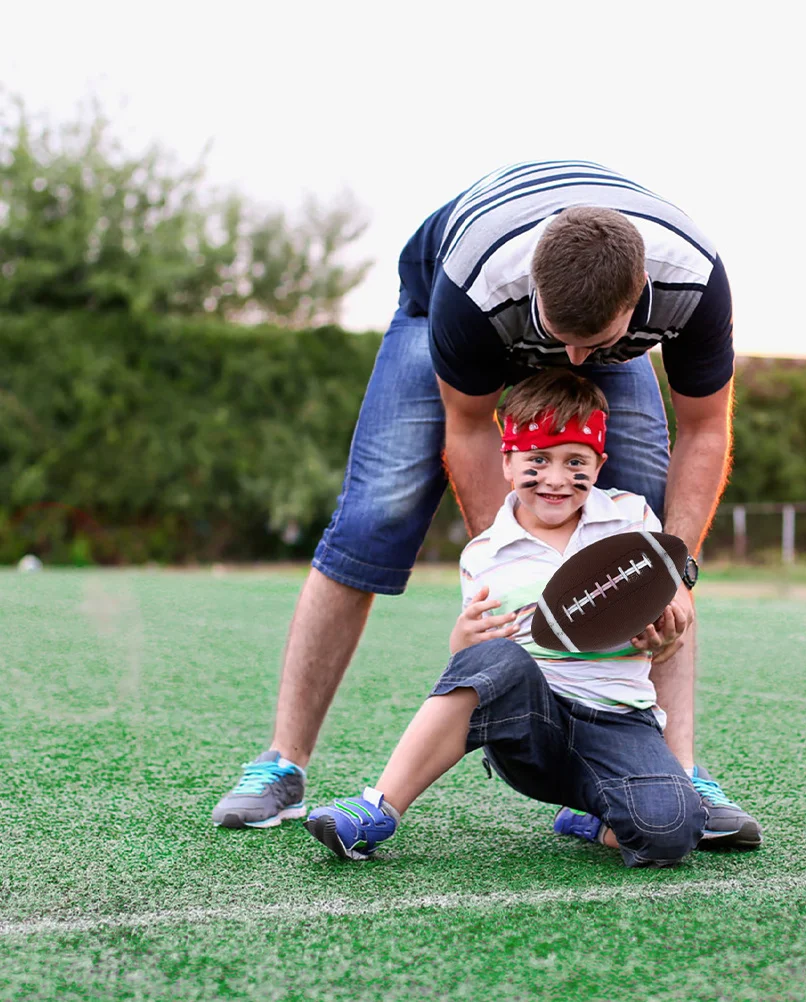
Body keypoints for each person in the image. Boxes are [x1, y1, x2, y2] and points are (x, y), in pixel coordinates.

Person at [212, 160, 761, 849]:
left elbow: (706, 429)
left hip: (587, 310)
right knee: (373, 515)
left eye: (589, 345)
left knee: (644, 540)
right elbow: (470, 429)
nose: (569, 357)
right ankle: (281, 764)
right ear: (533, 284)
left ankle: (677, 772)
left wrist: (673, 568)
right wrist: (501, 569)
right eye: (558, 334)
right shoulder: (477, 289)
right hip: (442, 308)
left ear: (640, 295)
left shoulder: (695, 284)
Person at [305, 371, 707, 866]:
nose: (556, 479)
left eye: (574, 461)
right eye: (538, 459)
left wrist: (665, 627)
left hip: (620, 721)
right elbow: (473, 666)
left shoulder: (633, 521)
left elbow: (664, 612)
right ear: (508, 461)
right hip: (530, 726)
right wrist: (461, 639)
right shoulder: (484, 553)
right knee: (496, 656)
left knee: (674, 830)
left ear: (599, 464)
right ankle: (378, 808)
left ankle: (592, 816)